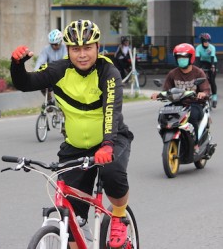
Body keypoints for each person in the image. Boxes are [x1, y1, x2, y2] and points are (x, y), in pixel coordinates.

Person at [11, 19, 134, 249]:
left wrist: (107, 144)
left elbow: (111, 111)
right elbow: (25, 83)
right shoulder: (59, 70)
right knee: (70, 218)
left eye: (87, 48)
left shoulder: (109, 72)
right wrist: (17, 65)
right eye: (76, 49)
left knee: (112, 172)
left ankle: (118, 216)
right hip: (75, 146)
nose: (82, 54)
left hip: (111, 139)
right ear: (68, 50)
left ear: (98, 47)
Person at [151, 43, 210, 151]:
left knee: (191, 117)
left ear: (191, 58)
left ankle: (195, 144)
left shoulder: (198, 72)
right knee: (163, 116)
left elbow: (206, 89)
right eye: (179, 57)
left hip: (194, 104)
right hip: (177, 104)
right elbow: (166, 91)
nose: (181, 60)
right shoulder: (172, 74)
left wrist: (203, 94)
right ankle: (170, 140)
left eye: (184, 57)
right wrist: (158, 95)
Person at [34, 29, 67, 105]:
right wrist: (36, 72)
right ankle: (50, 100)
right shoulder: (46, 49)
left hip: (62, 74)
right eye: (51, 44)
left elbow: (66, 61)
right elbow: (40, 61)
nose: (53, 46)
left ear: (60, 42)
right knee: (41, 84)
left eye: (56, 44)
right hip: (51, 73)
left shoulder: (65, 48)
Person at [195, 33, 218, 108]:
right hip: (203, 62)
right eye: (205, 41)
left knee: (212, 80)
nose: (207, 43)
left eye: (208, 41)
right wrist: (199, 68)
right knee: (199, 79)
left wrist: (213, 66)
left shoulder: (212, 47)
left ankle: (214, 97)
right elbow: (197, 59)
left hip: (212, 61)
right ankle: (199, 95)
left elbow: (212, 57)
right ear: (202, 41)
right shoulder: (198, 48)